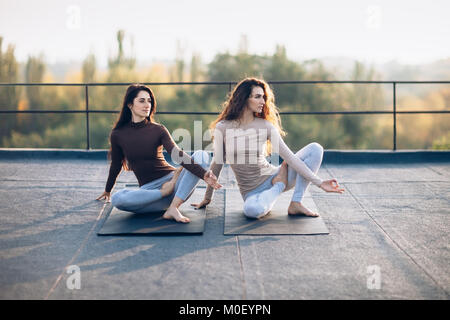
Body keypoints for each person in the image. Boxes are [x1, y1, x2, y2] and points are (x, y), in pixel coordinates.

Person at [192, 77, 344, 218]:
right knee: (252, 211)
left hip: (273, 174)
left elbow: (290, 158)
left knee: (315, 148)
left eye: (264, 97)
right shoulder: (223, 127)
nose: (263, 101)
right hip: (252, 191)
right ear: (244, 98)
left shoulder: (265, 126)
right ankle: (279, 186)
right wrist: (207, 198)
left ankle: (296, 202)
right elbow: (217, 164)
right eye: (257, 96)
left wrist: (320, 183)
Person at [96, 84, 221, 223]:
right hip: (151, 194)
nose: (147, 105)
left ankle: (174, 207)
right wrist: (108, 190)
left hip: (175, 185)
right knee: (117, 198)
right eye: (142, 101)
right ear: (130, 104)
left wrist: (204, 174)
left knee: (202, 155)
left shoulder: (158, 130)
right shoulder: (118, 134)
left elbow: (177, 154)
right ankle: (165, 195)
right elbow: (116, 164)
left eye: (149, 101)